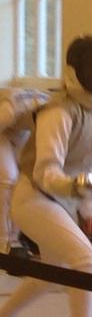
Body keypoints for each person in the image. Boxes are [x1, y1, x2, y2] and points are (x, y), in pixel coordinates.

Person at [0, 36, 92, 317]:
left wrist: (88, 203)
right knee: (84, 258)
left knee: (51, 273)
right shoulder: (57, 111)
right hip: (34, 197)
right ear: (73, 70)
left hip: (62, 200)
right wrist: (75, 188)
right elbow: (45, 170)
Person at [0, 87, 50, 254]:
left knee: (25, 183)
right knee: (9, 178)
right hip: (4, 129)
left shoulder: (55, 113)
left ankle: (18, 239)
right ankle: (4, 244)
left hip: (20, 131)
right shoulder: (10, 109)